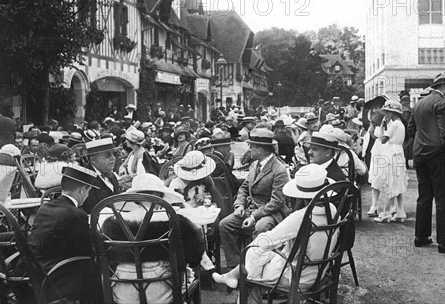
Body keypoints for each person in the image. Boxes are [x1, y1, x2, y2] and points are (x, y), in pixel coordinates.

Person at [213, 164, 338, 304]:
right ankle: (232, 275)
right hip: (320, 272)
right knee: (264, 254)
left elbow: (267, 240)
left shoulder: (300, 217)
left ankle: (234, 277)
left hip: (297, 277)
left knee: (251, 268)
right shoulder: (333, 210)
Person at [101, 175, 208, 304]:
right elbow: (195, 256)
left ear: (136, 199)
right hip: (162, 290)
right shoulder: (175, 221)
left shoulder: (113, 224)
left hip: (123, 291)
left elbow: (104, 258)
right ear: (160, 196)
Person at [218, 128, 291, 268]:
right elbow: (244, 188)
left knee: (260, 227)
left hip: (271, 213)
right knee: (225, 225)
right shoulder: (255, 164)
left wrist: (254, 217)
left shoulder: (279, 170)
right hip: (249, 209)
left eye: (251, 146)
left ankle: (256, 268)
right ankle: (237, 267)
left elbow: (276, 202)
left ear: (260, 149)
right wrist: (239, 205)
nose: (249, 148)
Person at [407, 72, 445, 253]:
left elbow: (411, 129)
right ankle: (443, 242)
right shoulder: (442, 104)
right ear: (442, 87)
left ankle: (421, 237)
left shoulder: (420, 104)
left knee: (424, 197)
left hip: (420, 156)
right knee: (443, 199)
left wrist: (423, 142)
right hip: (439, 157)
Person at [28, 164, 99, 301]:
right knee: (99, 270)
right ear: (82, 189)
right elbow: (86, 252)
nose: (87, 195)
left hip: (37, 270)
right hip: (58, 277)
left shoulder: (45, 207)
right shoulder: (76, 214)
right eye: (88, 191)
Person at [368, 101, 408, 223]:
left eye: (388, 112)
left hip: (392, 154)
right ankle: (400, 211)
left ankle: (385, 213)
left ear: (393, 112)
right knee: (398, 182)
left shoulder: (395, 124)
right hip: (399, 153)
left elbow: (383, 139)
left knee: (391, 183)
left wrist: (381, 127)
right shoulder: (400, 124)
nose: (386, 115)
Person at [81, 138, 124, 214]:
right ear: (93, 159)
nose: (113, 158)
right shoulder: (85, 179)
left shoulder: (112, 175)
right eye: (107, 155)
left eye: (114, 154)